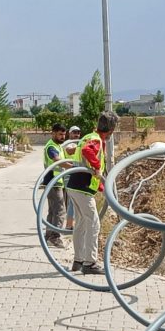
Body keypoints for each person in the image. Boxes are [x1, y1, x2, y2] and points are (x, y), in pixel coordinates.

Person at [66, 111, 119, 275]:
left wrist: (102, 188)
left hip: (74, 185)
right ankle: (90, 263)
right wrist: (97, 166)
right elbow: (87, 152)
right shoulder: (95, 140)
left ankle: (78, 260)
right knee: (94, 222)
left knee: (81, 223)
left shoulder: (89, 136)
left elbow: (86, 158)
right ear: (110, 129)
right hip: (82, 187)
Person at [41, 123, 71, 249]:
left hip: (57, 182)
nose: (62, 137)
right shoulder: (51, 147)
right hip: (53, 183)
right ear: (53, 133)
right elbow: (57, 160)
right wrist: (74, 167)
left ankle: (48, 235)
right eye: (60, 134)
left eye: (64, 134)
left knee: (53, 211)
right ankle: (55, 237)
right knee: (60, 210)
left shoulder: (58, 146)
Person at [64, 125, 82, 230]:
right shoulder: (69, 144)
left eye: (78, 133)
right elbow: (70, 151)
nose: (76, 135)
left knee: (74, 200)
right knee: (72, 200)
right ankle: (69, 225)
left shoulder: (78, 144)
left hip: (76, 174)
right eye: (74, 133)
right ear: (69, 134)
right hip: (69, 175)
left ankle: (73, 223)